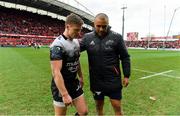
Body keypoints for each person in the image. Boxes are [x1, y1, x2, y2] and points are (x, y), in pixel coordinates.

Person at [80, 13, 131, 115]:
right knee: (99, 107)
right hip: (96, 80)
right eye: (98, 26)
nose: (101, 29)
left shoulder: (117, 37)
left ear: (108, 24)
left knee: (117, 107)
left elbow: (125, 57)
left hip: (113, 79)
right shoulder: (87, 37)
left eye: (104, 26)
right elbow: (74, 50)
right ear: (93, 24)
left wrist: (126, 75)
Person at [50, 13, 88, 115]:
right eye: (76, 30)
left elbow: (77, 60)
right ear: (68, 26)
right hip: (60, 85)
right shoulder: (57, 45)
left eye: (80, 30)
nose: (79, 33)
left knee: (83, 112)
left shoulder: (76, 42)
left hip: (73, 82)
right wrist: (65, 94)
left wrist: (80, 76)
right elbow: (56, 72)